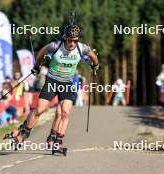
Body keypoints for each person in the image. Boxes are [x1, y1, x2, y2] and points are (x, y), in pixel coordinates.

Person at [7, 23, 99, 153]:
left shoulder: (81, 48)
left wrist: (95, 65)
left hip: (66, 83)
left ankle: (56, 141)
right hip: (52, 80)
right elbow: (41, 53)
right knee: (40, 109)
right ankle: (24, 131)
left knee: (65, 112)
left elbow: (93, 57)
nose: (72, 43)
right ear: (64, 38)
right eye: (69, 40)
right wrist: (37, 66)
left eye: (75, 40)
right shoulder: (55, 46)